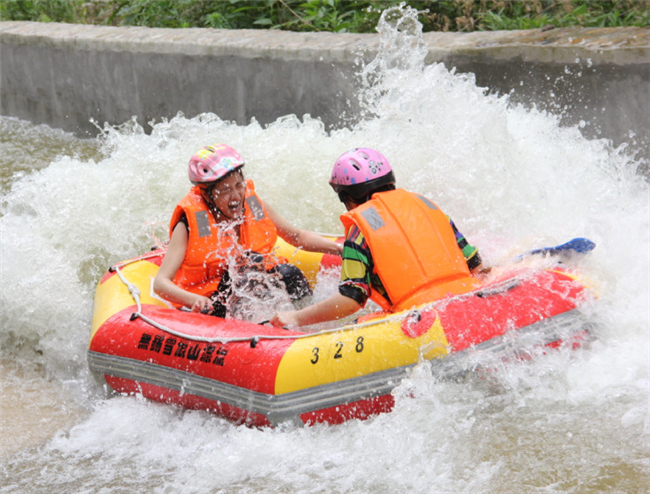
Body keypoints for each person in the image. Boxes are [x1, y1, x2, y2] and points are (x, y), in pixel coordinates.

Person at [270, 147, 483, 328]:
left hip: (419, 320)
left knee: (352, 327)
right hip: (467, 302)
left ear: (347, 197)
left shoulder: (360, 229)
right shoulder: (425, 205)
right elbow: (474, 264)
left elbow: (351, 299)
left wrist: (296, 317)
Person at [154, 143, 342, 317]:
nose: (236, 196)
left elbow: (297, 237)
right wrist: (193, 299)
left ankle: (305, 323)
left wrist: (340, 249)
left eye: (238, 185)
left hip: (247, 285)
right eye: (225, 190)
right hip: (210, 300)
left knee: (288, 273)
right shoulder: (189, 223)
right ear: (207, 194)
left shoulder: (252, 203)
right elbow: (160, 284)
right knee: (250, 272)